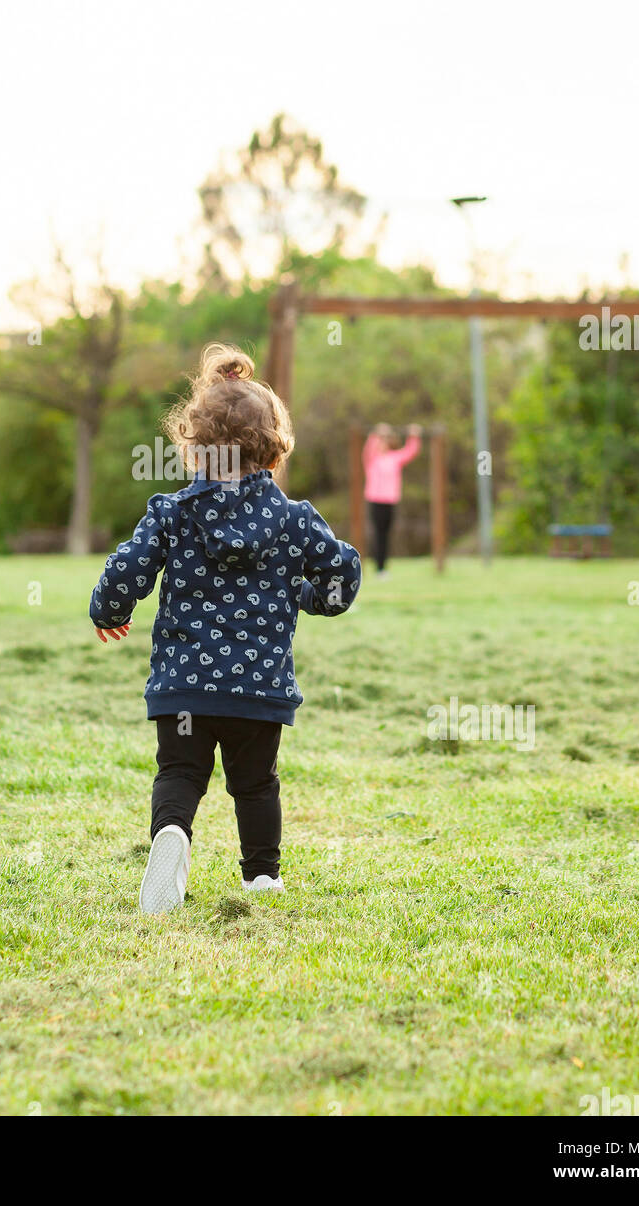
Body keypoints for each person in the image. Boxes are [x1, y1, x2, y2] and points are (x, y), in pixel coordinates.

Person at [89, 343, 361, 915]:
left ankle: (173, 836)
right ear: (273, 447)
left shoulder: (172, 512)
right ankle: (261, 877)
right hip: (258, 690)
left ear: (194, 447)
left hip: (185, 686)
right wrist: (308, 594)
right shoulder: (293, 519)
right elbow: (342, 577)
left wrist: (110, 609)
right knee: (257, 784)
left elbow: (127, 567)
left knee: (180, 772)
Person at [362, 422, 422, 577]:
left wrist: (413, 436)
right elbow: (369, 447)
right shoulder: (372, 459)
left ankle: (383, 568)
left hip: (390, 501)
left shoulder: (394, 458)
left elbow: (411, 451)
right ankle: (377, 567)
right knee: (377, 534)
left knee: (386, 535)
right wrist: (377, 433)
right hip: (375, 500)